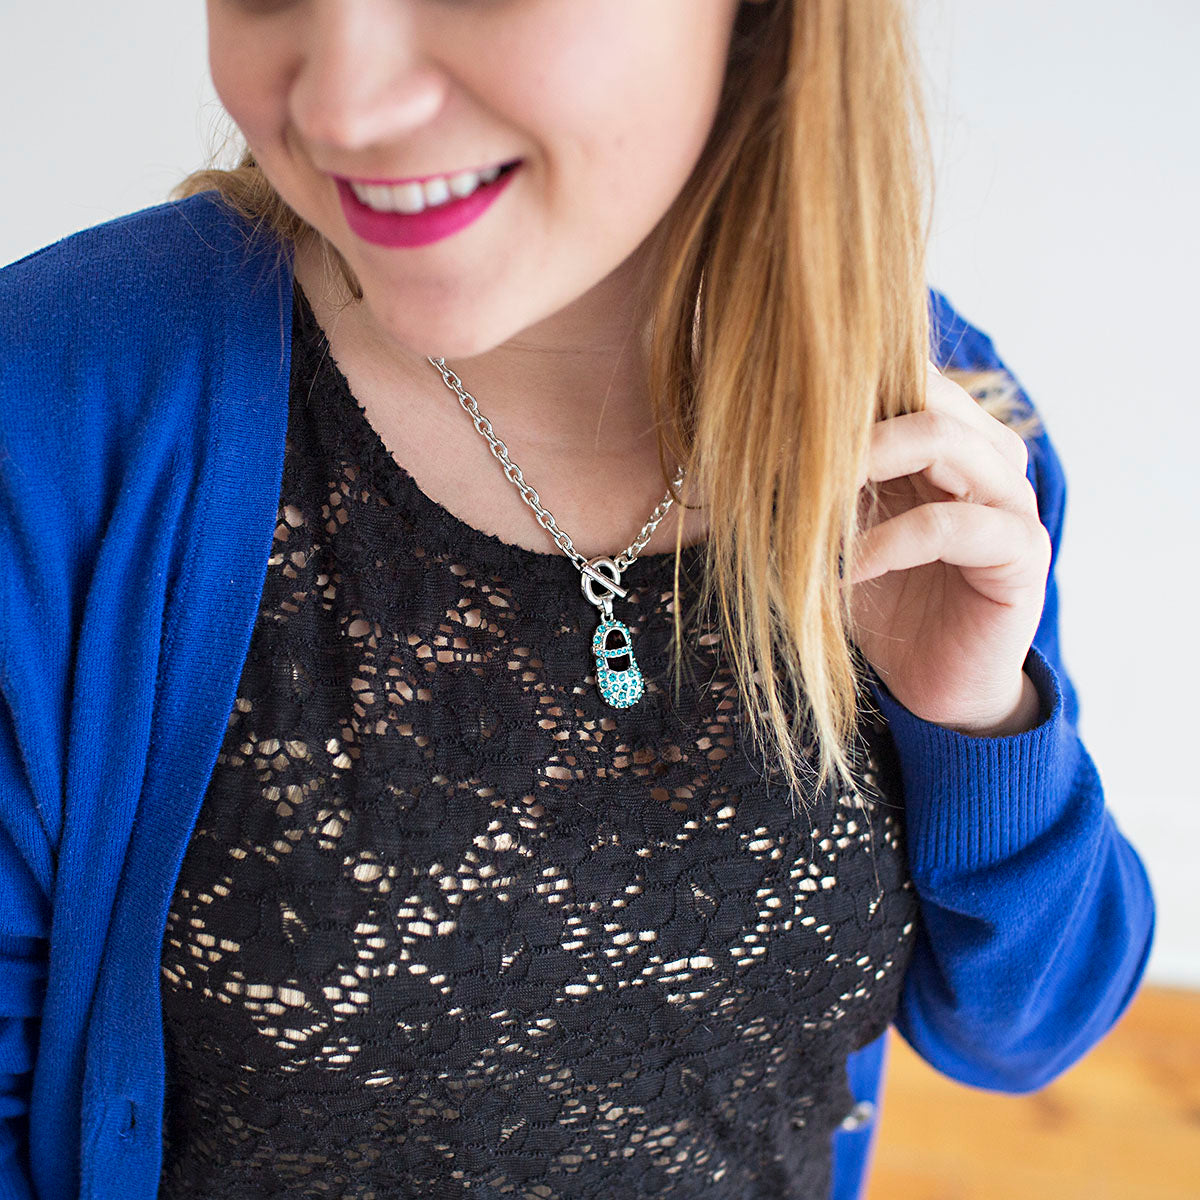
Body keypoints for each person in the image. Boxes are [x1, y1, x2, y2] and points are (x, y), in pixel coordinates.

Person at [0, 1, 1155, 1198]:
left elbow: (1024, 1034)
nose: (341, 103)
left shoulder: (929, 427)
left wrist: (982, 726)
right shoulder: (54, 415)